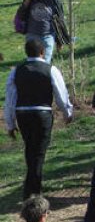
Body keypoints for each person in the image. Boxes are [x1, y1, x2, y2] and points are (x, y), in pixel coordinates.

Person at [5, 37, 74, 198]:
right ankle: (33, 192)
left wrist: (10, 123)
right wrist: (67, 113)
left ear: (26, 52)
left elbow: (10, 99)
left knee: (30, 150)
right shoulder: (50, 70)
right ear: (42, 52)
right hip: (42, 114)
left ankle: (32, 188)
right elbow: (61, 94)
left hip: (23, 114)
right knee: (39, 153)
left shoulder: (16, 71)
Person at [16, 0, 65, 64]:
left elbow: (60, 21)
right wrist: (26, 3)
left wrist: (60, 41)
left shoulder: (54, 0)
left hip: (48, 36)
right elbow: (20, 16)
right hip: (32, 35)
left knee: (45, 62)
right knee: (33, 62)